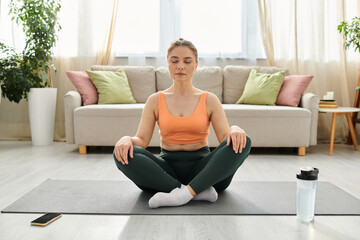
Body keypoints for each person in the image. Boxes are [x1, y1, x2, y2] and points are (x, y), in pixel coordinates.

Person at [114, 38, 251, 208]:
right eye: (175, 61)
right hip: (166, 171)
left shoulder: (209, 99)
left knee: (245, 141)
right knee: (122, 153)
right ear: (168, 65)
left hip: (206, 171)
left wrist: (236, 128)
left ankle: (181, 195)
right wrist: (126, 139)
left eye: (187, 61)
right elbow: (141, 140)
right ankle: (195, 192)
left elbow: (225, 137)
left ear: (196, 65)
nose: (180, 66)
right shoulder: (155, 100)